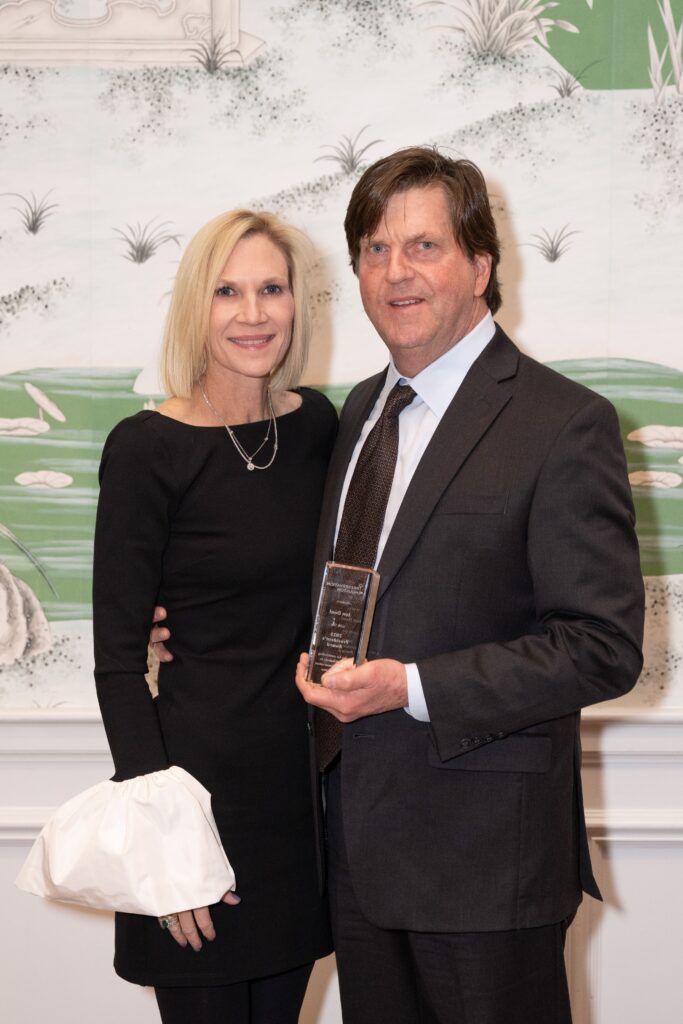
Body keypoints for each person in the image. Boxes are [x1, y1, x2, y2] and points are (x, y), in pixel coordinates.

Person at [291, 147, 645, 1024]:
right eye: (373, 250)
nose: (395, 272)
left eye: (423, 247)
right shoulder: (356, 413)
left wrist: (410, 687)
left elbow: (602, 647)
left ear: (480, 265)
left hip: (486, 866)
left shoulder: (563, 423)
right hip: (356, 853)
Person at [93, 209, 335, 1024]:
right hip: (191, 801)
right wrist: (167, 847)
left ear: (297, 303)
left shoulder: (318, 429)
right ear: (196, 307)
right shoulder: (145, 449)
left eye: (272, 289)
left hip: (295, 806)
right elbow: (119, 663)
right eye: (228, 291)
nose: (253, 312)